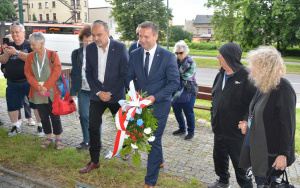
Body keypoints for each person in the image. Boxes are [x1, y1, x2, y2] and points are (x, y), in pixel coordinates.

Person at [125, 21, 179, 188]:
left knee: (153, 140)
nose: (142, 40)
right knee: (152, 138)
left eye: (146, 36)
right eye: (140, 36)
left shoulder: (167, 56)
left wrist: (155, 97)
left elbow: (174, 83)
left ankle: (150, 181)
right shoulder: (134, 54)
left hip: (159, 105)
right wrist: (134, 95)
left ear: (156, 36)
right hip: (139, 106)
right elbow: (128, 77)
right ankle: (160, 161)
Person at [238, 46, 296, 186]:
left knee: (266, 183)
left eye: (254, 65)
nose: (251, 69)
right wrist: (247, 121)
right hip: (259, 150)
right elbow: (253, 110)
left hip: (271, 154)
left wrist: (283, 155)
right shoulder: (264, 85)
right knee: (261, 182)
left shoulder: (282, 88)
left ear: (265, 67)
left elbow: (288, 126)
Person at [79, 20, 129, 174]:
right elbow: (88, 72)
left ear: (107, 33)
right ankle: (94, 160)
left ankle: (126, 149)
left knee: (123, 126)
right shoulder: (91, 48)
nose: (95, 38)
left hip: (116, 95)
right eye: (93, 35)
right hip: (97, 95)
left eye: (99, 35)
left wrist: (111, 92)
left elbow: (124, 74)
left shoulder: (120, 48)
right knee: (93, 126)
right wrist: (98, 92)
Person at [208, 43, 256, 188]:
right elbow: (215, 97)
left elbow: (254, 103)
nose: (217, 57)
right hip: (220, 128)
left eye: (220, 54)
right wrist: (213, 115)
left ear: (229, 57)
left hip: (237, 133)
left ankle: (246, 185)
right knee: (219, 158)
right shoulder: (220, 74)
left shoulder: (247, 76)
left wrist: (246, 120)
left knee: (241, 165)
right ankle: (223, 181)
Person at [0, 22, 42, 137]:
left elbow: (33, 58)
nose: (14, 35)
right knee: (12, 106)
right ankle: (15, 126)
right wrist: (6, 53)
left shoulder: (30, 45)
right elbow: (2, 61)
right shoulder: (8, 45)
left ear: (23, 33)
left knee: (36, 104)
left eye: (17, 32)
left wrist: (16, 52)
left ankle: (40, 126)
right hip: (12, 82)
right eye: (12, 32)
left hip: (29, 81)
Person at [24, 32, 63, 150]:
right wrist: (38, 87)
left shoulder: (52, 55)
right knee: (43, 116)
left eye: (33, 44)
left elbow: (57, 71)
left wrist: (45, 86)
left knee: (55, 115)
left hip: (51, 91)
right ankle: (48, 137)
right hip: (38, 92)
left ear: (41, 44)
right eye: (31, 44)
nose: (31, 47)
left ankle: (58, 138)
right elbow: (28, 73)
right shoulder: (30, 57)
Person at [70, 25, 93, 150]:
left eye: (91, 41)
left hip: (96, 90)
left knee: (94, 117)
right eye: (86, 41)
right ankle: (86, 140)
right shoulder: (76, 53)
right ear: (82, 40)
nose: (88, 43)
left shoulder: (99, 53)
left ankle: (95, 141)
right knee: (83, 114)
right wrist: (73, 91)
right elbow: (74, 73)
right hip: (83, 89)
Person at [171, 40, 198, 140]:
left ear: (185, 52)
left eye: (181, 53)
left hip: (188, 91)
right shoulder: (174, 61)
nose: (178, 55)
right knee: (177, 111)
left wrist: (173, 74)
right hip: (176, 92)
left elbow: (186, 76)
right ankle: (182, 128)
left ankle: (191, 132)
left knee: (188, 112)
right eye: (177, 53)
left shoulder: (190, 62)